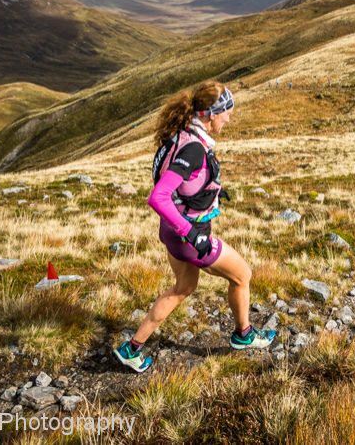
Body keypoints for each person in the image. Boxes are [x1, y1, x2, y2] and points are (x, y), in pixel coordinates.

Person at [113, 82, 276, 373]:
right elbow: (158, 196)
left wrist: (209, 191)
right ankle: (244, 335)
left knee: (182, 288)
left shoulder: (181, 134)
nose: (229, 119)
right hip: (190, 237)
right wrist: (191, 232)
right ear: (211, 114)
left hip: (171, 232)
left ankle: (131, 349)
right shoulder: (194, 151)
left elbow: (181, 185)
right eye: (226, 113)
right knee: (242, 275)